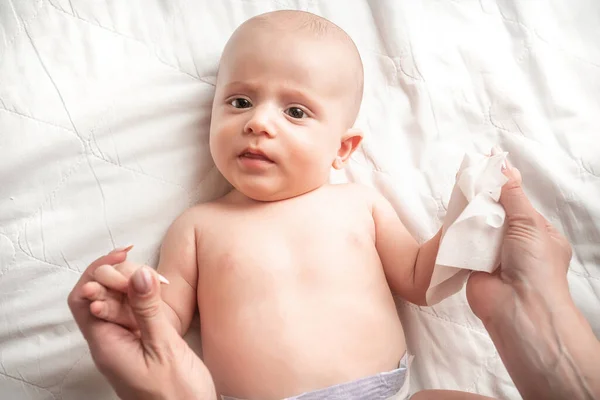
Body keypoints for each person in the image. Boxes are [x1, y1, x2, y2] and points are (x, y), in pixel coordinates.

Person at [67, 11, 600, 400]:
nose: (258, 122)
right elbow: (172, 315)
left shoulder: (359, 206)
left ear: (343, 147)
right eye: (239, 101)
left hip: (381, 392)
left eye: (296, 111)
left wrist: (469, 217)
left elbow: (419, 278)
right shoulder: (199, 225)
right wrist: (136, 306)